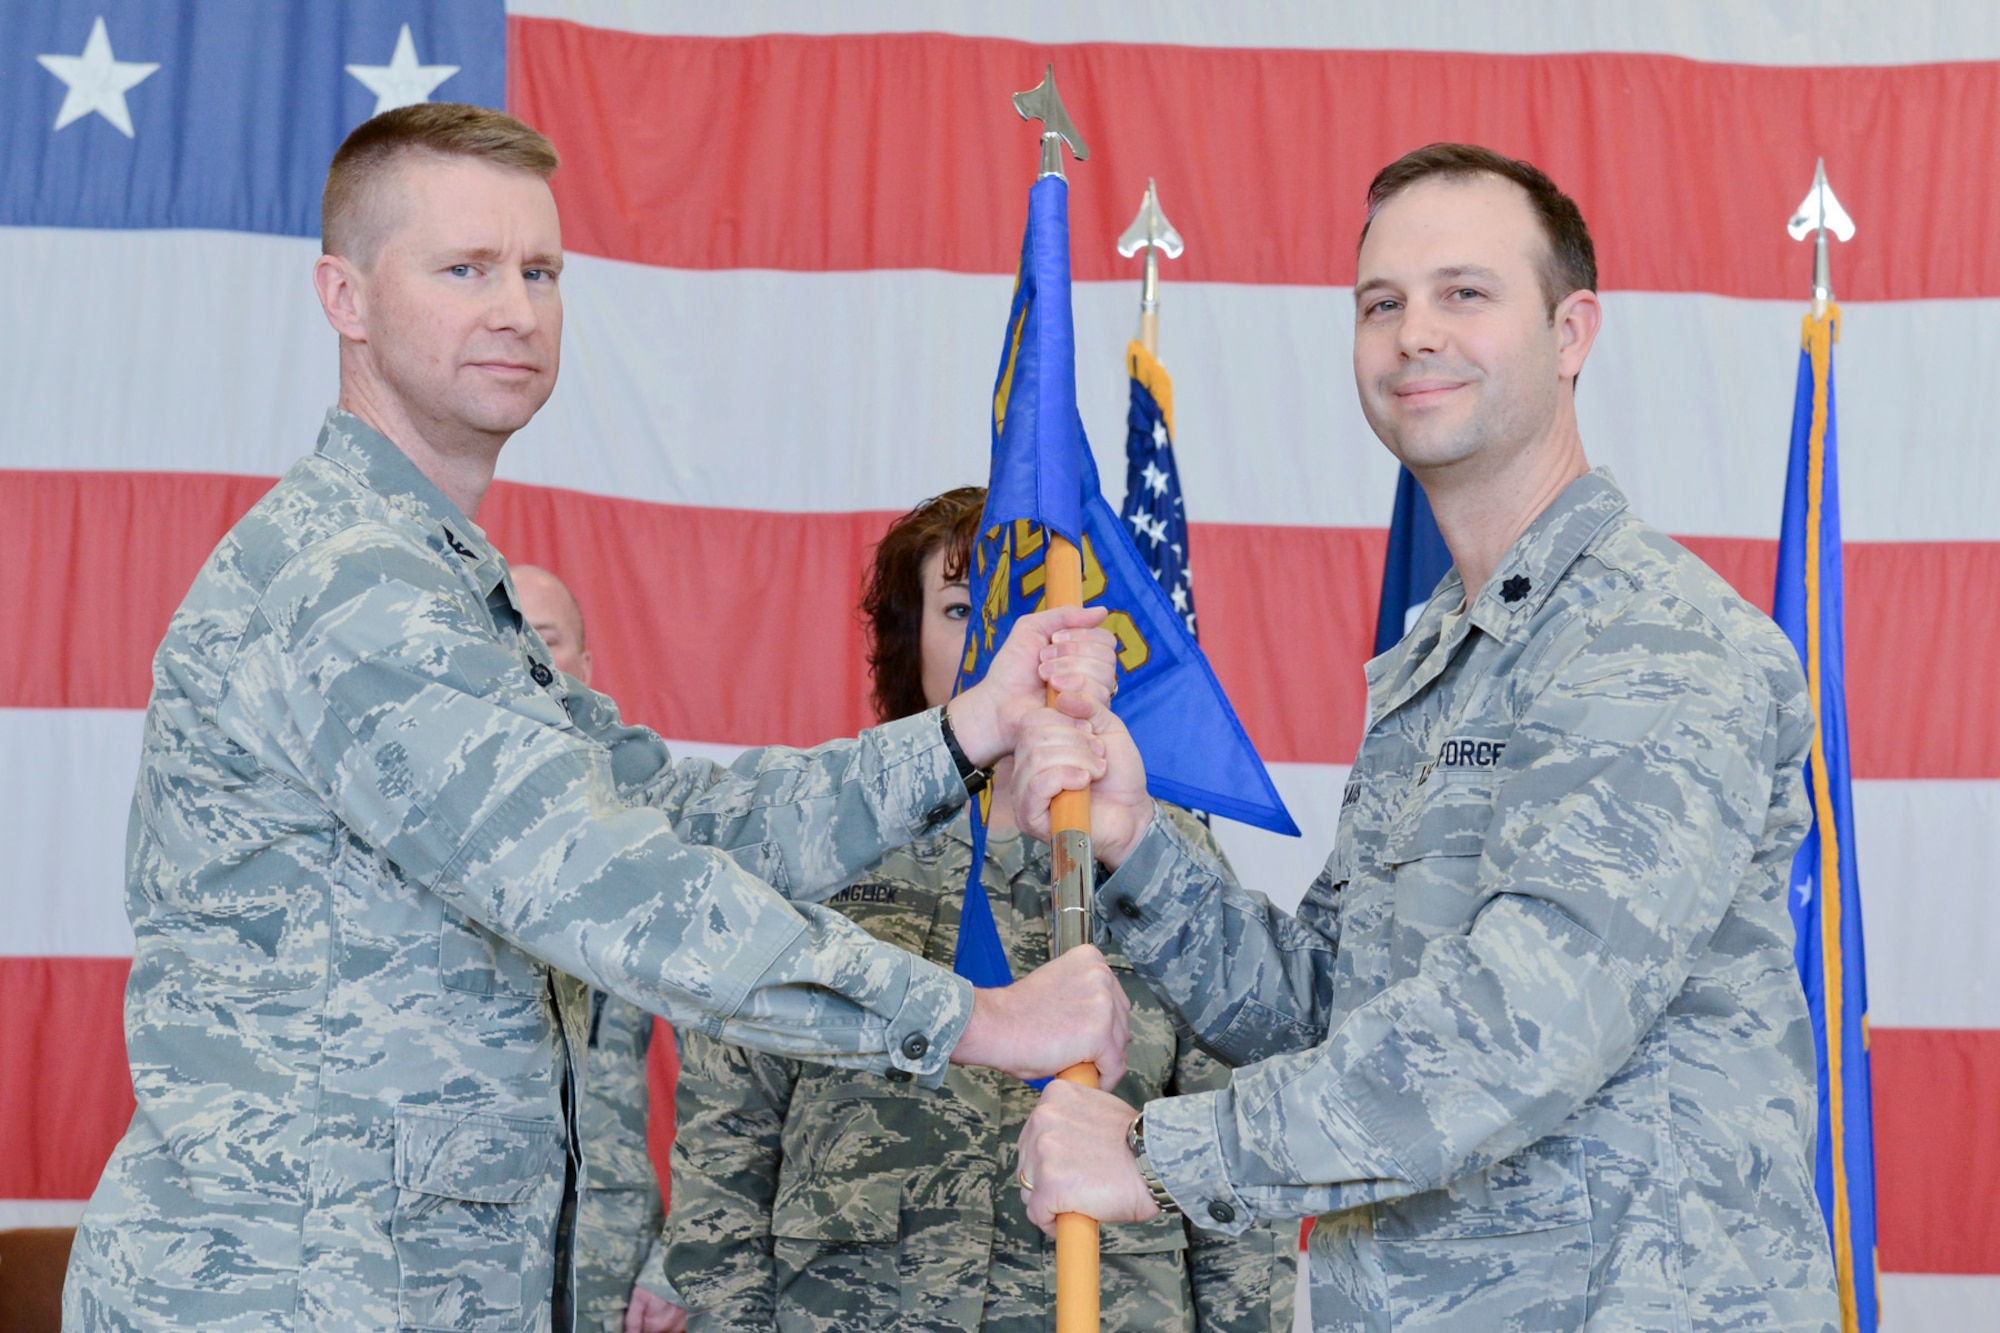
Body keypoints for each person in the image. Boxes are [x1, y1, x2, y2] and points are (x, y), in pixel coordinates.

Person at [63, 104, 1132, 1333]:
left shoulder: (448, 591)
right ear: (344, 297)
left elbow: (680, 818)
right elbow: (607, 883)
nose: (515, 307)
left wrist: (963, 729)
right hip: (285, 1295)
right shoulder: (347, 583)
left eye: (539, 270)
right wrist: (976, 1018)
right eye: (463, 268)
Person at [1012, 144, 1841, 1331]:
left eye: (1464, 293)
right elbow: (1333, 1013)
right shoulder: (1440, 660)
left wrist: (1159, 1151)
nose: (1413, 334)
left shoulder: (1655, 646)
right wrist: (1141, 849)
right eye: (1380, 303)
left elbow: (1520, 1031)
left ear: (1570, 332)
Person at [661, 489, 1296, 1333]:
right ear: (906, 636)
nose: (998, 640)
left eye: (1026, 610)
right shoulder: (821, 839)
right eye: (963, 609)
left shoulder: (1154, 854)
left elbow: (1239, 1155)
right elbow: (724, 1156)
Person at [513, 565, 687, 1333]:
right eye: (501, 637)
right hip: (453, 1254)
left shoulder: (646, 829)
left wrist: (680, 1253)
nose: (524, 656)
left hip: (606, 1259)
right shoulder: (412, 823)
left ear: (586, 668)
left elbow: (728, 1069)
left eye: (545, 641)